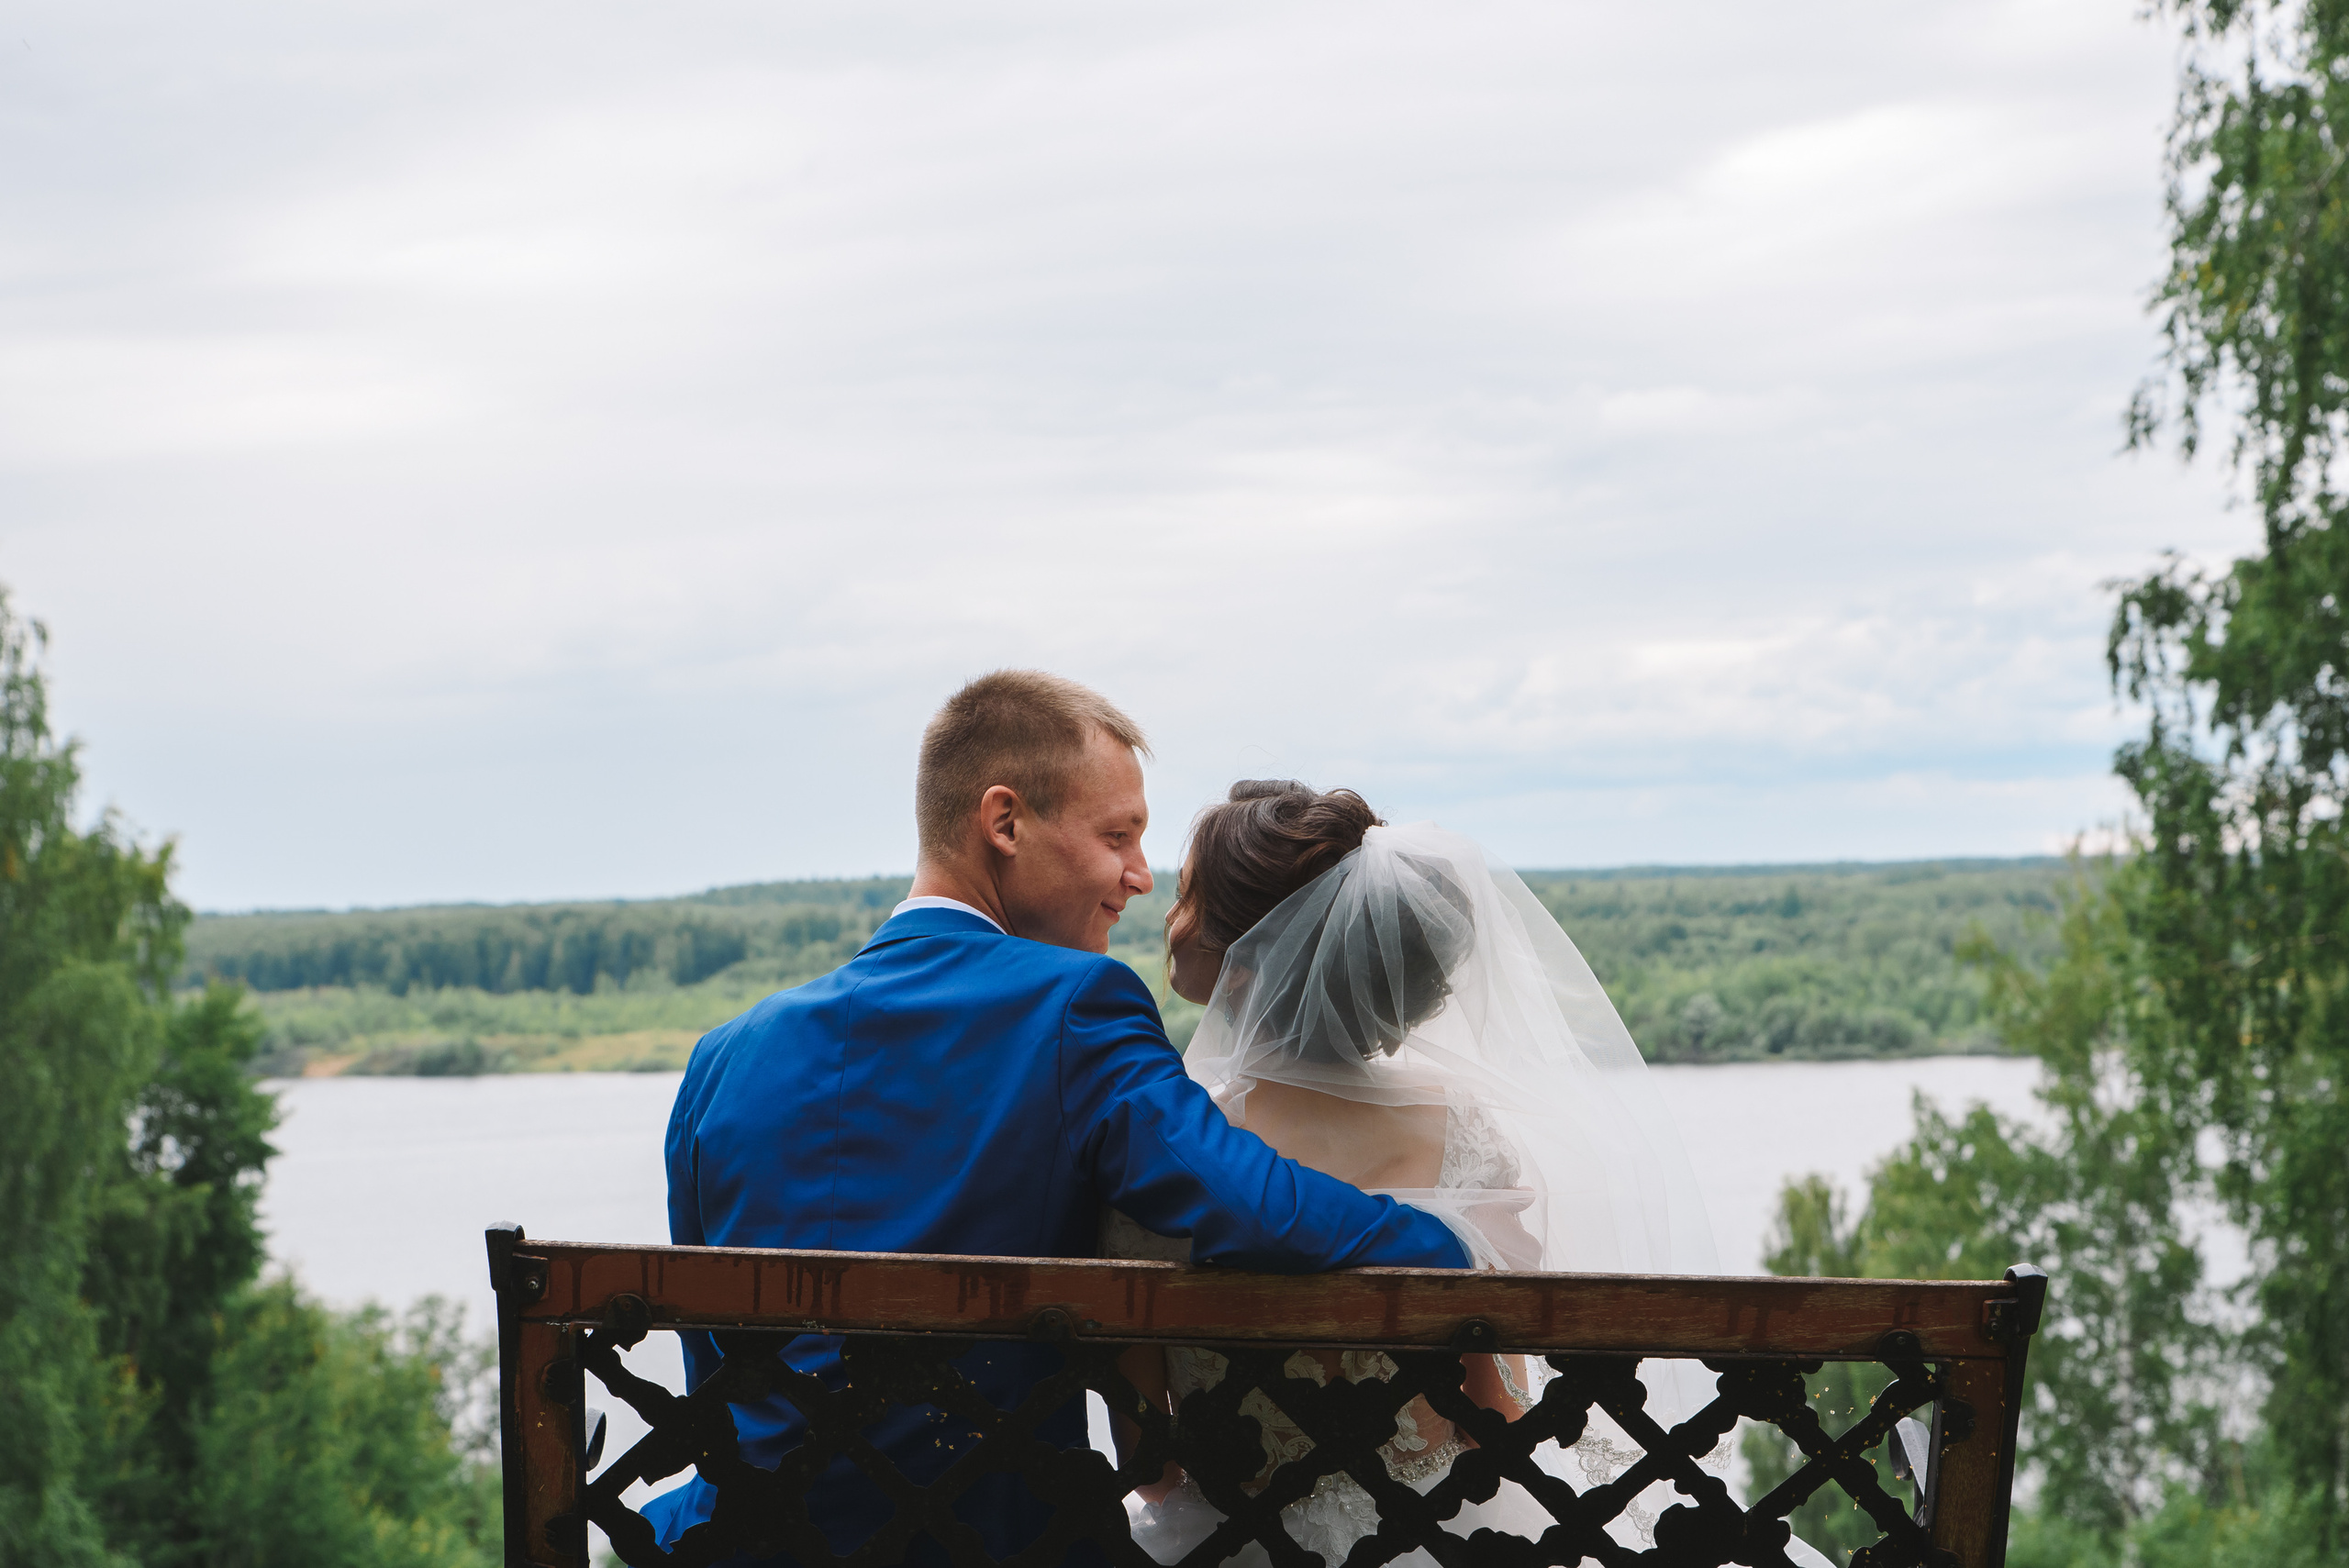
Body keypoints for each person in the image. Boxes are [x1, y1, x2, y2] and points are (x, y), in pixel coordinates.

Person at [638, 676, 1469, 1567]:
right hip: (988, 1536)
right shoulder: (1075, 1005)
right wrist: (1446, 1245)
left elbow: (709, 1364)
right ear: (1004, 823)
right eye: (1117, 835)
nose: (1139, 876)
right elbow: (1245, 1202)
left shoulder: (721, 1056)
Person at [1107, 781, 1734, 1567]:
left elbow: (1151, 1467)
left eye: (1186, 897)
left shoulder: (1174, 1158)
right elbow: (1496, 1416)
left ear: (1245, 958)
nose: (1169, 918)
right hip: (1443, 1532)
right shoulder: (1459, 1134)